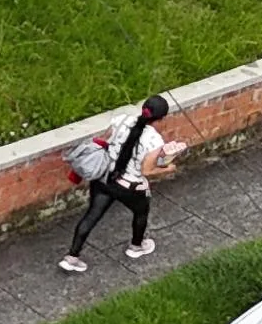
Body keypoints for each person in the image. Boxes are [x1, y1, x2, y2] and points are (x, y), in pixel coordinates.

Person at [61, 94, 177, 273]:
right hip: (130, 187)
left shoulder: (122, 119)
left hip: (105, 178)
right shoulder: (154, 141)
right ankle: (136, 247)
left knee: (91, 216)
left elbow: (105, 140)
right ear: (161, 118)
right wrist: (167, 169)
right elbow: (147, 171)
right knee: (141, 213)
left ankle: (72, 257)